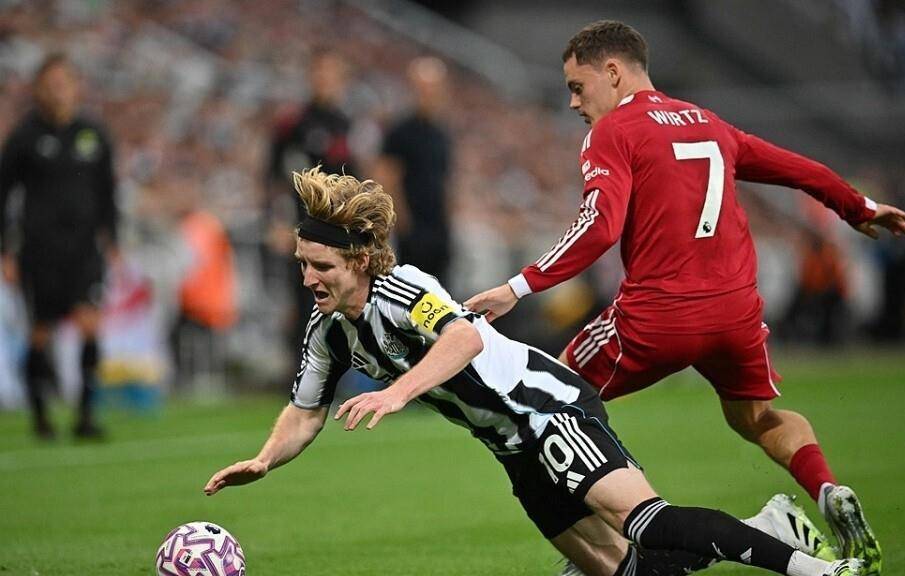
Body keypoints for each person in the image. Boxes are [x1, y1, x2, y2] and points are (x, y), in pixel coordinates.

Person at [204, 166, 861, 576]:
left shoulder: (403, 289)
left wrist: (398, 392)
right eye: (302, 264)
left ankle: (820, 572)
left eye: (319, 265)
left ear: (357, 262)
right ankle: (766, 528)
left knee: (647, 522)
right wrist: (264, 459)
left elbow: (463, 337)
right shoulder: (328, 330)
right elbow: (305, 411)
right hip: (511, 446)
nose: (307, 277)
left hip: (546, 408)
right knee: (629, 571)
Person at [464, 21, 905, 576]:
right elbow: (797, 168)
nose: (574, 102)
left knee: (549, 405)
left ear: (613, 72)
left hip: (659, 316)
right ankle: (826, 491)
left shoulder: (613, 131)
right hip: (736, 312)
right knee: (756, 417)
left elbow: (599, 226)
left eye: (578, 87)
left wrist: (517, 287)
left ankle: (612, 551)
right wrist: (859, 207)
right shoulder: (707, 122)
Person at [0, 53, 119, 439]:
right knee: (40, 331)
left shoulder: (93, 134)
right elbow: (3, 194)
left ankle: (86, 415)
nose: (58, 91)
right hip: (40, 251)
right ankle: (40, 415)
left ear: (75, 87)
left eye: (64, 83)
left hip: (84, 250)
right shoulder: (24, 137)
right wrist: (5, 250)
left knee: (90, 324)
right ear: (39, 89)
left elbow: (108, 192)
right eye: (51, 84)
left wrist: (112, 240)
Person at [265, 49, 360, 359]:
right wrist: (276, 221)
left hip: (338, 231)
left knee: (342, 306)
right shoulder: (294, 122)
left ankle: (336, 371)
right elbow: (272, 176)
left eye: (332, 73)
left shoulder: (347, 124)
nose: (325, 79)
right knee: (306, 303)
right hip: (303, 229)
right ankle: (300, 371)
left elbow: (355, 180)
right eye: (320, 71)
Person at [373, 56, 454, 284]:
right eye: (424, 88)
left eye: (434, 88)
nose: (429, 94)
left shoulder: (441, 133)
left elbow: (444, 180)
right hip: (413, 229)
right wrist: (404, 225)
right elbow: (386, 178)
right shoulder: (400, 132)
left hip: (438, 228)